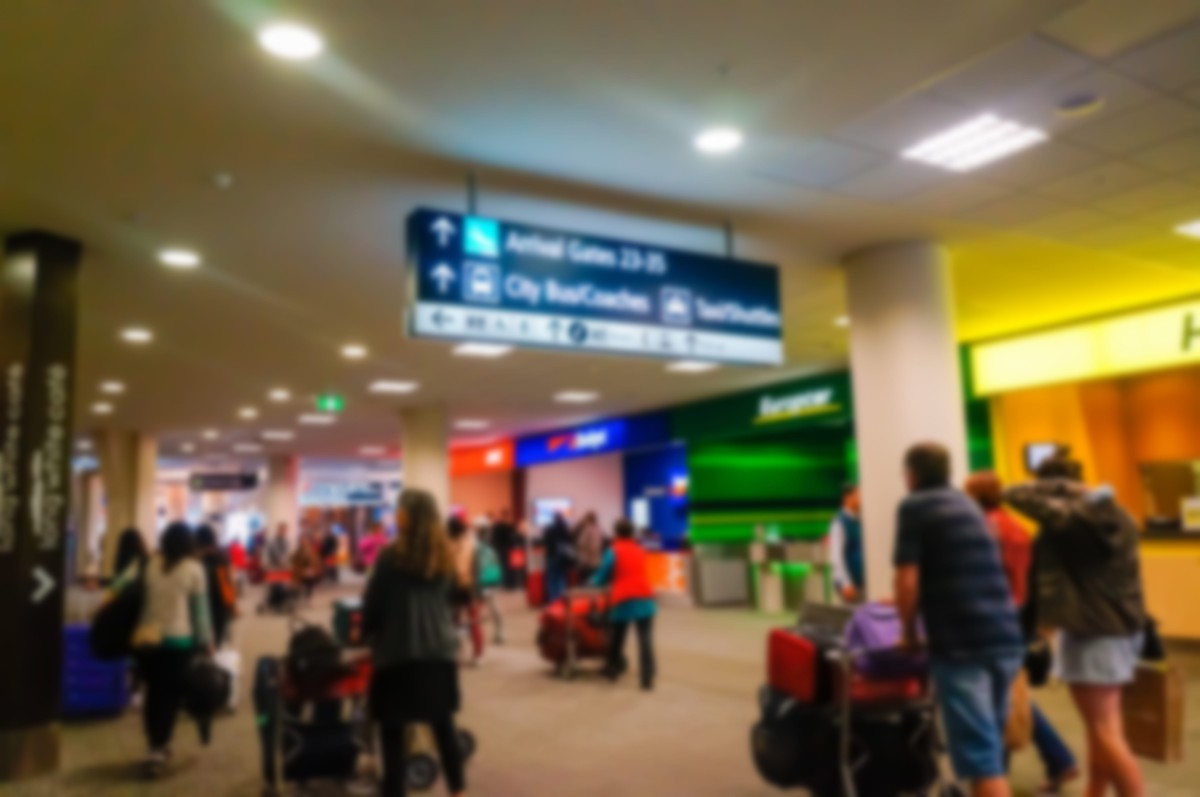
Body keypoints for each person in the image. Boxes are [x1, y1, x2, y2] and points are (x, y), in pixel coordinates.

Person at [1006, 454, 1146, 797]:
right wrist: (1083, 489)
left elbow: (1013, 493)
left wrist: (1062, 488)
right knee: (1103, 728)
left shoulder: (1068, 522)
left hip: (1090, 633)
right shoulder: (1120, 515)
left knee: (1104, 731)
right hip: (1124, 629)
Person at [893, 443, 1023, 797]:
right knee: (990, 749)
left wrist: (908, 633)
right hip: (1005, 638)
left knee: (981, 759)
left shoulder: (914, 506)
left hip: (962, 644)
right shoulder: (970, 505)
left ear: (911, 475)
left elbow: (907, 578)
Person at [965, 471, 1078, 793]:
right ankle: (1057, 760)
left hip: (992, 622)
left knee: (998, 699)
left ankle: (999, 775)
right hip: (1017, 620)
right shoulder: (1016, 527)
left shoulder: (984, 528)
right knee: (1009, 695)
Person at [362, 488, 467, 797]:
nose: (395, 515)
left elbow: (373, 606)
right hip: (439, 655)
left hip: (397, 654)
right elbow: (456, 599)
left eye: (399, 510)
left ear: (409, 516)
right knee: (443, 725)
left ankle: (395, 791)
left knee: (392, 730)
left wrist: (366, 632)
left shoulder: (390, 557)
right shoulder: (445, 557)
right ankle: (458, 790)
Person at [112, 522, 212, 778]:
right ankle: (159, 746)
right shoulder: (194, 569)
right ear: (190, 544)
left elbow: (116, 587)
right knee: (170, 695)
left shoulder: (146, 563)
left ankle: (155, 745)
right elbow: (200, 612)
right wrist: (207, 641)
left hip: (147, 641)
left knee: (154, 692)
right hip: (179, 643)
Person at [591, 518, 657, 690]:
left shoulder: (613, 551)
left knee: (617, 637)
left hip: (624, 599)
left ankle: (612, 670)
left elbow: (603, 575)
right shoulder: (640, 549)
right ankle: (647, 678)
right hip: (645, 597)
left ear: (616, 533)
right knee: (645, 639)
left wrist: (592, 582)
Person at [447, 516, 484, 664]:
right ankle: (477, 654)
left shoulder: (447, 544)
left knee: (453, 623)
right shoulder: (472, 543)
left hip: (454, 588)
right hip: (470, 588)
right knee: (474, 622)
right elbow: (477, 569)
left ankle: (456, 653)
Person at [195, 524, 238, 648]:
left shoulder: (194, 559)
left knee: (200, 644)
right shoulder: (221, 558)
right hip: (219, 606)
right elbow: (228, 584)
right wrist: (232, 605)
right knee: (216, 641)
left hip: (200, 604)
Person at [827, 484, 865, 602]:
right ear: (847, 498)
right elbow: (836, 556)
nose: (862, 499)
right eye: (858, 495)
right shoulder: (839, 523)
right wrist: (845, 583)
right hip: (849, 586)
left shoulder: (859, 520)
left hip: (860, 584)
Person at [542, 513, 574, 605]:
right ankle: (561, 599)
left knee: (552, 579)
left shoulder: (549, 529)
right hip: (562, 557)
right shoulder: (565, 529)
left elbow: (545, 541)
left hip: (551, 555)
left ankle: (553, 600)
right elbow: (569, 542)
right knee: (561, 578)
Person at [490, 509, 520, 590]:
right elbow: (514, 535)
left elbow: (493, 539)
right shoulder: (507, 526)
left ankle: (505, 583)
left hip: (499, 548)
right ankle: (510, 583)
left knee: (503, 566)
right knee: (509, 566)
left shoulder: (496, 526)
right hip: (507, 548)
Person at [574, 511, 606, 583]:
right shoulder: (599, 529)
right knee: (593, 581)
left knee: (585, 581)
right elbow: (602, 543)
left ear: (588, 519)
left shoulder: (587, 529)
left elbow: (580, 543)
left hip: (587, 560)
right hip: (597, 560)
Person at [292, 532, 324, 600]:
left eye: (306, 540)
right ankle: (300, 592)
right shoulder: (298, 550)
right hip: (301, 570)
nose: (304, 542)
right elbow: (294, 560)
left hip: (310, 570)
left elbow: (316, 560)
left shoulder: (311, 549)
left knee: (311, 578)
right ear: (300, 541)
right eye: (303, 540)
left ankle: (307, 593)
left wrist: (314, 567)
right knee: (304, 579)